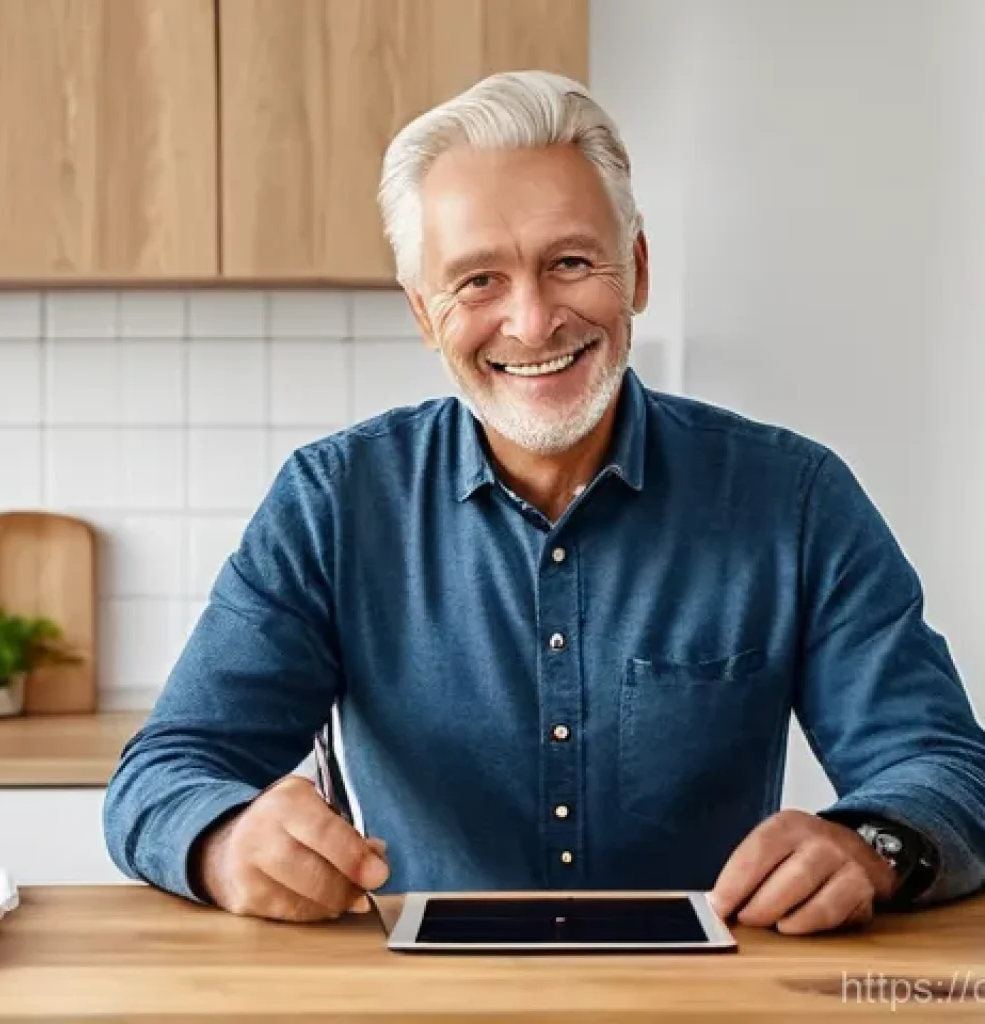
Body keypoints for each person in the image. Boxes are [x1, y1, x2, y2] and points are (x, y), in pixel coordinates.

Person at [104, 71, 985, 936]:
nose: (532, 322)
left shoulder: (794, 500)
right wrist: (223, 843)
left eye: (569, 262)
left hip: (706, 1003)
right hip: (413, 1003)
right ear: (423, 313)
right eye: (478, 281)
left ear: (635, 270)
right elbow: (165, 772)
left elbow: (944, 768)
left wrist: (870, 846)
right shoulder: (332, 503)